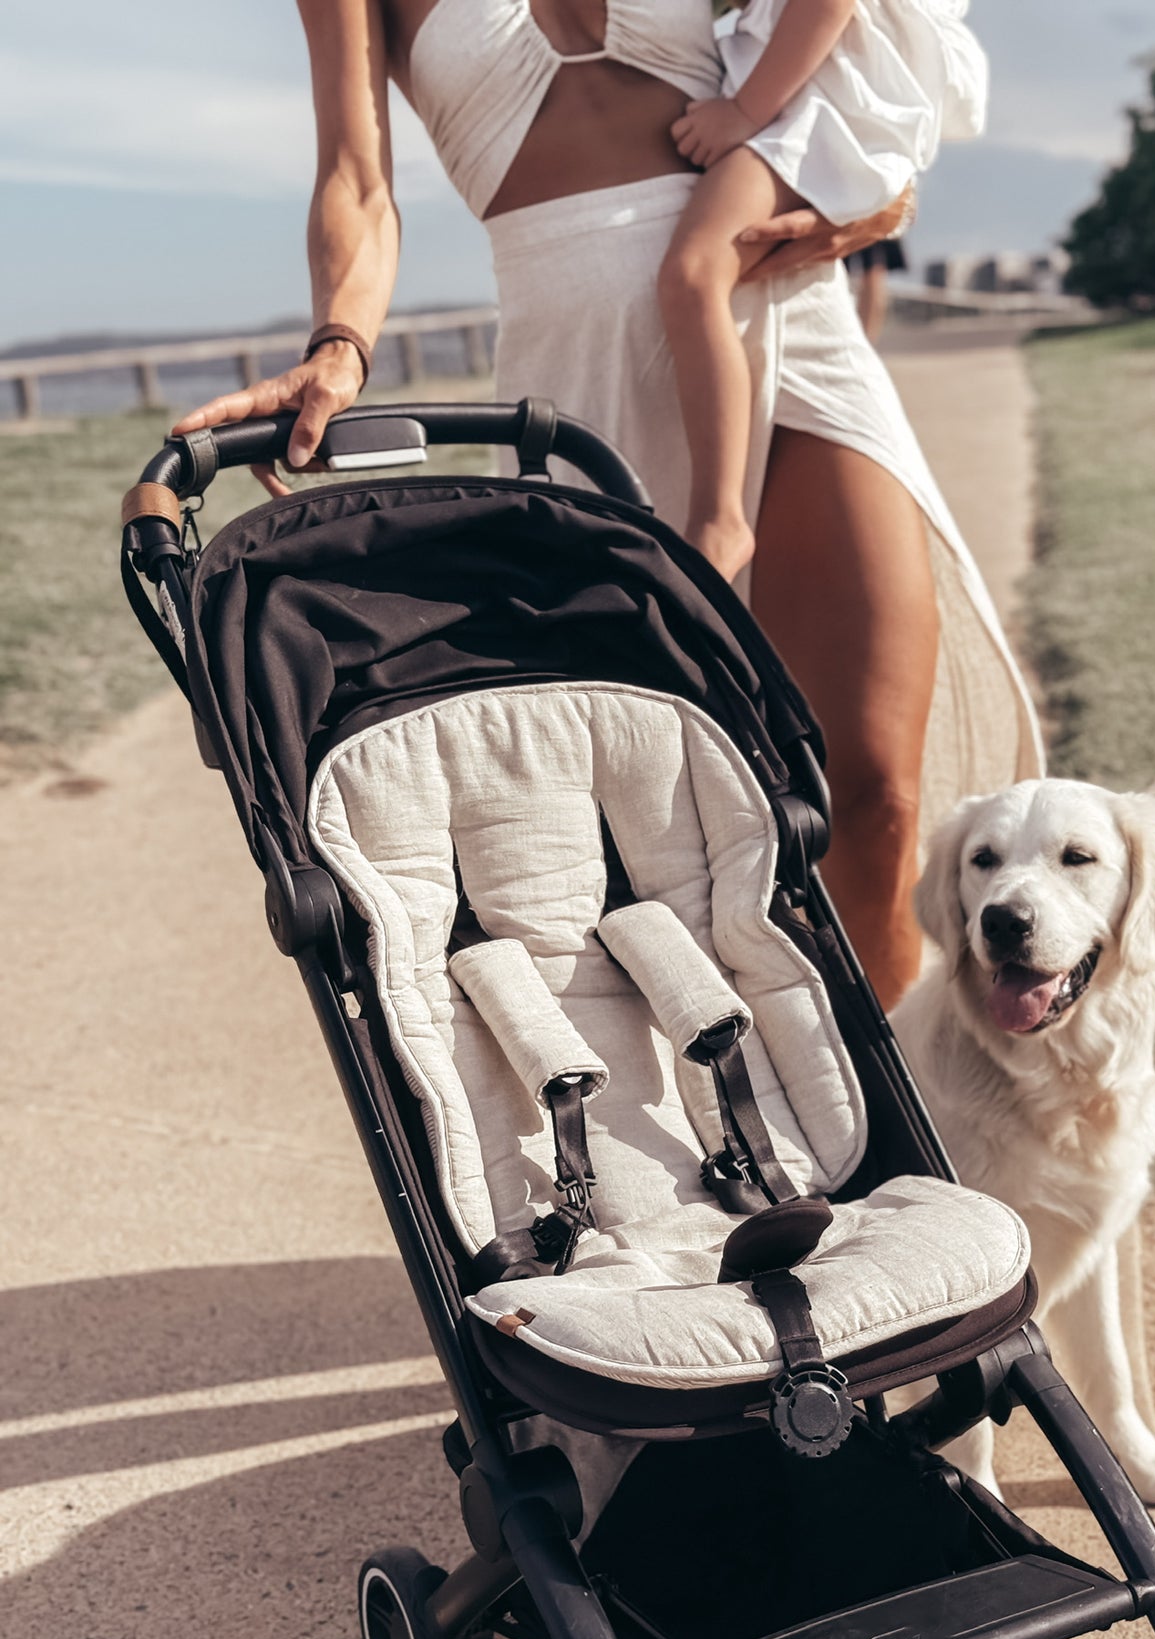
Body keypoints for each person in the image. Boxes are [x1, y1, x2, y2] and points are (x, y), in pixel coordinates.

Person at [174, 0, 1042, 1008]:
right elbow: (357, 181)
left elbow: (829, 34)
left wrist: (876, 200)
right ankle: (751, 1115)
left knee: (873, 790)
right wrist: (339, 344)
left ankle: (887, 1130)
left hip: (780, 311)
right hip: (575, 379)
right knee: (656, 832)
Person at [661, 0, 966, 580]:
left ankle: (719, 519)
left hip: (815, 108)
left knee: (694, 272)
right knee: (699, 274)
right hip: (803, 96)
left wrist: (743, 111)